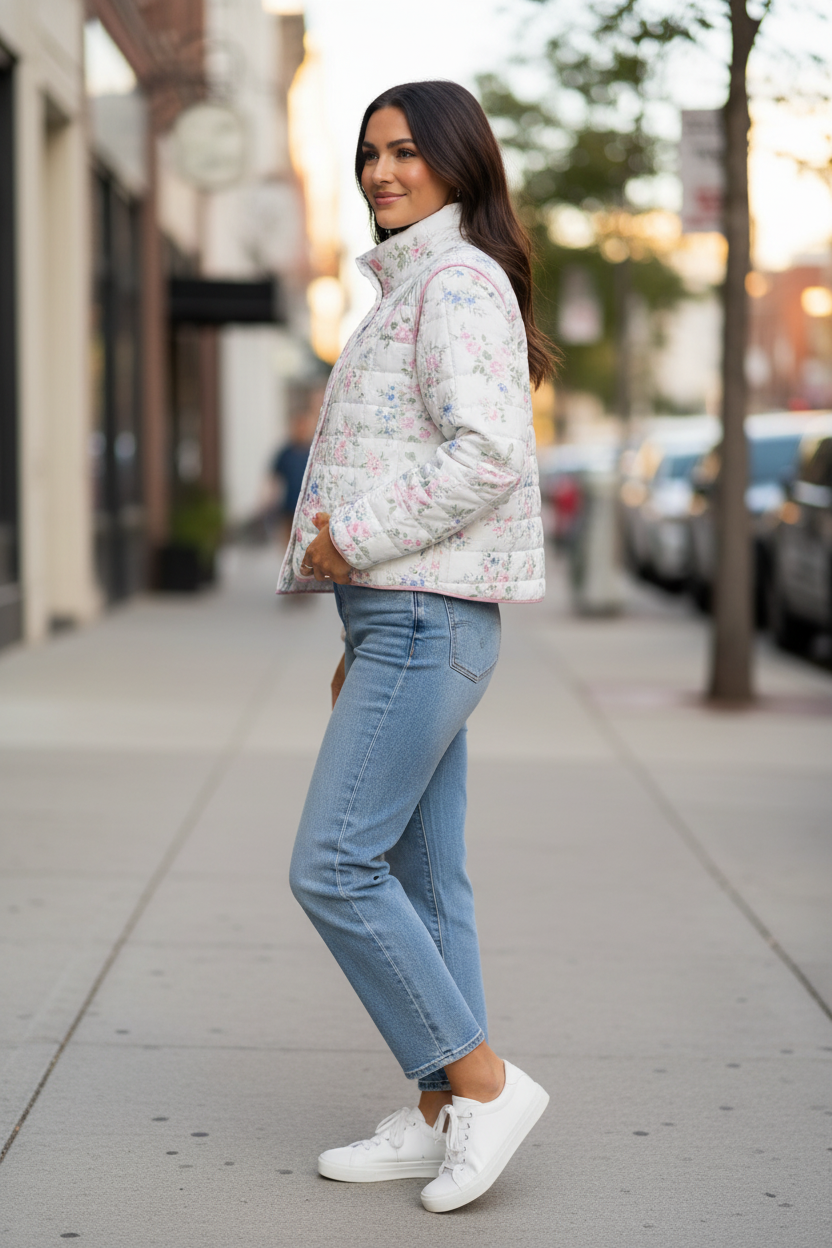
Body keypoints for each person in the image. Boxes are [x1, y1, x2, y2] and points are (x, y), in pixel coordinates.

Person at [278, 80, 556, 1214]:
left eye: (406, 154)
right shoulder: (412, 287)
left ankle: (486, 1085)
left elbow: (487, 452)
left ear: (457, 165)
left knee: (333, 865)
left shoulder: (454, 282)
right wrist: (358, 608)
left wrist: (352, 540)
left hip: (425, 616)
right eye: (368, 154)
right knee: (422, 878)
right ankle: (444, 1114)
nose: (382, 173)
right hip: (404, 620)